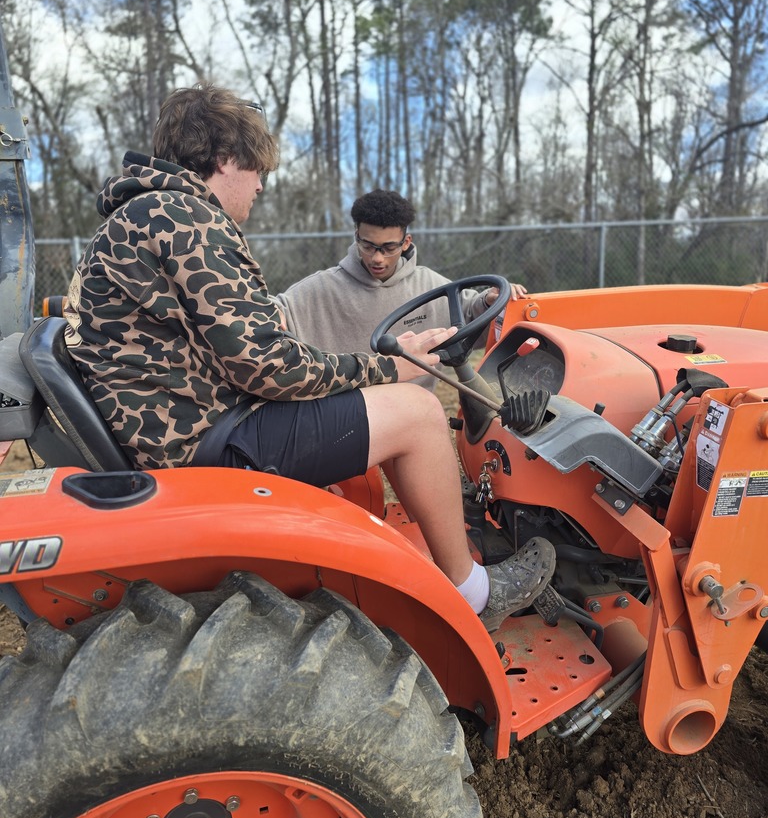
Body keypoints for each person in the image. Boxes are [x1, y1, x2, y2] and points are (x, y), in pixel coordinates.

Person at [63, 83, 554, 630]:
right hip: (203, 441)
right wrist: (389, 366)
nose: (260, 185)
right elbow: (266, 365)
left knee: (380, 405)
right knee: (417, 412)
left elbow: (245, 347)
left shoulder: (139, 216)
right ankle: (475, 592)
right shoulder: (184, 220)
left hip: (181, 425)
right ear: (224, 159)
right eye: (256, 170)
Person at [274, 188, 528, 386]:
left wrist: (490, 301)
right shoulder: (320, 289)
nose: (377, 258)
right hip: (346, 410)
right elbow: (272, 312)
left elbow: (471, 313)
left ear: (406, 242)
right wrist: (272, 315)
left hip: (413, 408)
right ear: (356, 236)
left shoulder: (431, 286)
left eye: (388, 247)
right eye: (368, 246)